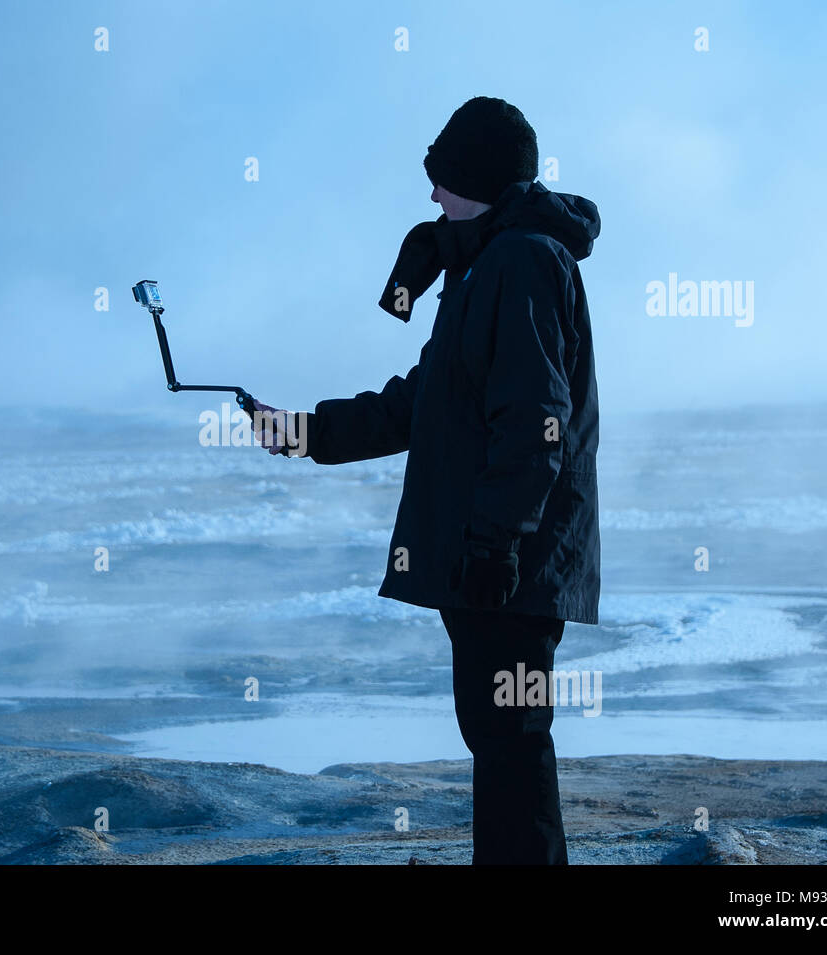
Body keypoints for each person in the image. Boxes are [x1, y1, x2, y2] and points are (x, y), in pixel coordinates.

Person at [252, 96, 601, 865]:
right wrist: (308, 432)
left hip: (510, 561)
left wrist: (495, 545)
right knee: (498, 732)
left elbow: (535, 421)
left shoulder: (521, 262)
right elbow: (424, 402)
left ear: (474, 177)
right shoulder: (484, 265)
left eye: (442, 178)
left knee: (510, 736)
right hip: (495, 556)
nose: (432, 196)